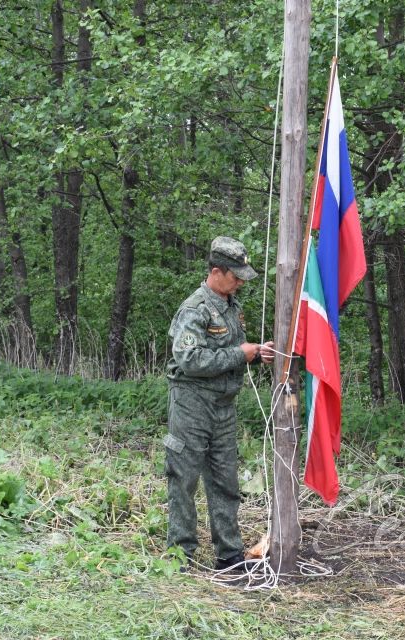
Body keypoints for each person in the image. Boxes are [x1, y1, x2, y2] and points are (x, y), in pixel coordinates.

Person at [164, 236, 275, 571]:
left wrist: (255, 354)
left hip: (224, 406)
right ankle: (179, 556)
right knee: (183, 477)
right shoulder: (194, 309)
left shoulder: (230, 306)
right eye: (235, 275)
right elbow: (190, 360)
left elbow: (232, 351)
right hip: (192, 404)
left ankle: (229, 554)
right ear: (216, 271)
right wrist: (239, 354)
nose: (241, 281)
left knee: (225, 479)